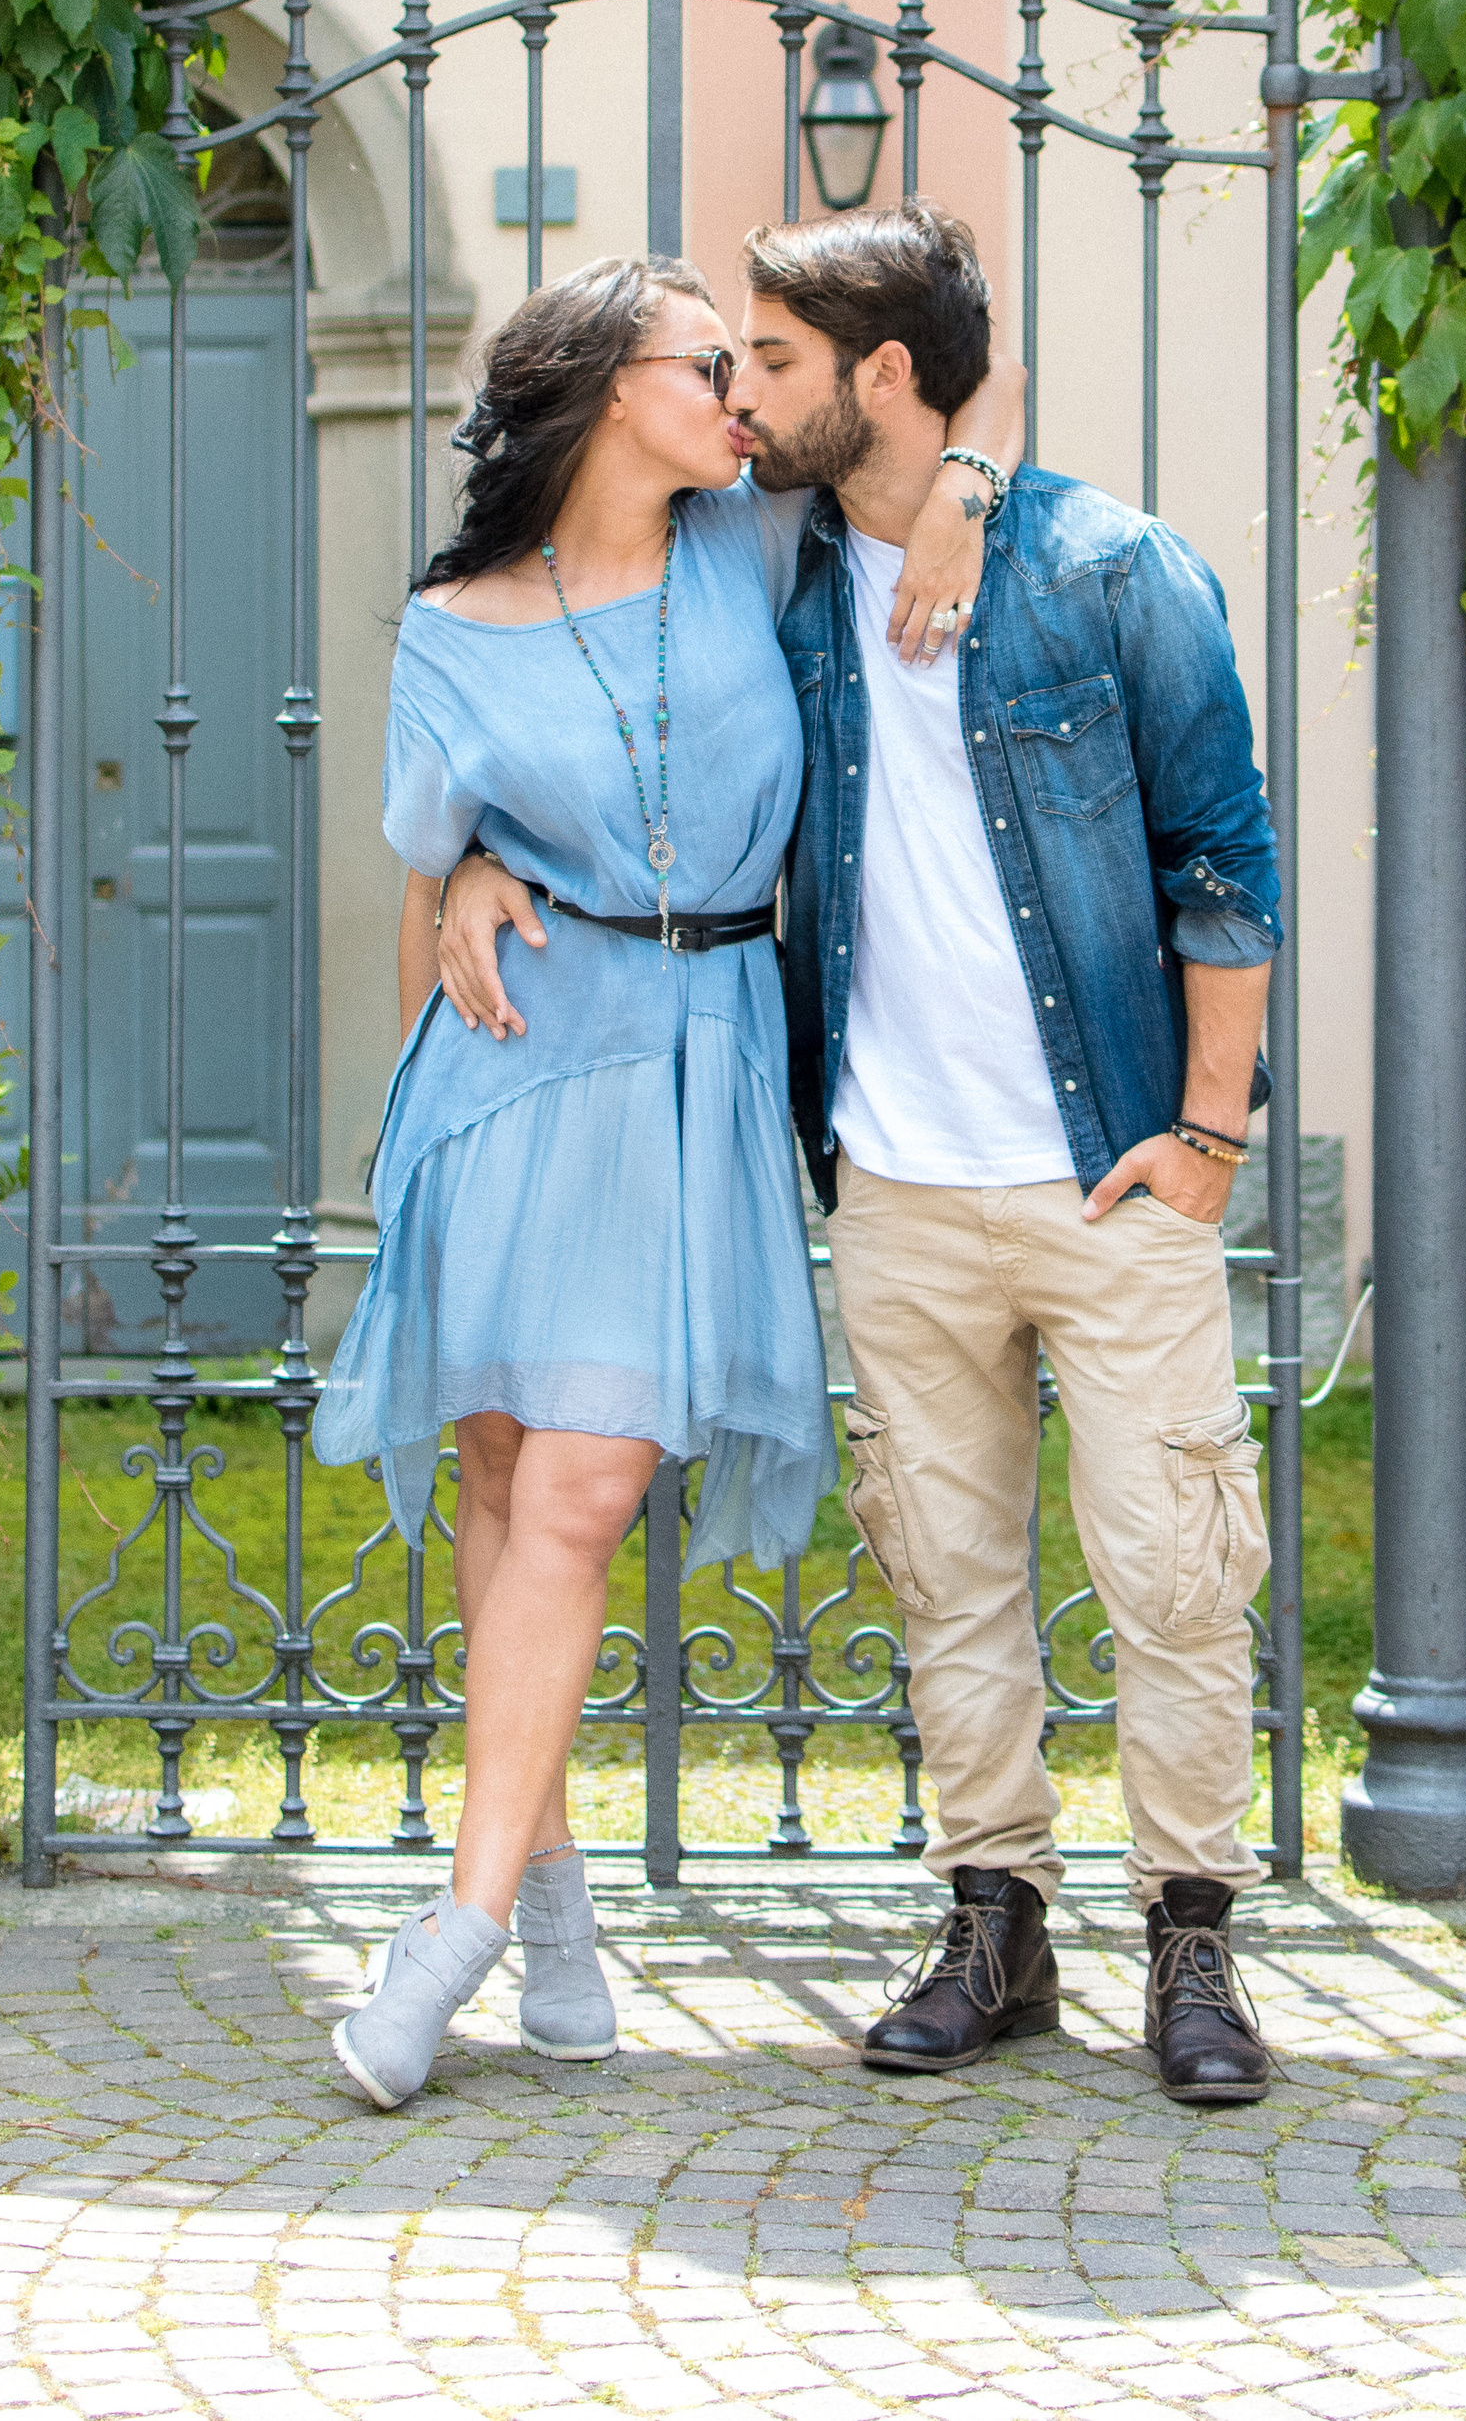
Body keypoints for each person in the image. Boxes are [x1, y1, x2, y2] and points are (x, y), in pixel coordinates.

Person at [441, 203, 1284, 2112]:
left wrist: (1209, 1132)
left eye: (779, 363)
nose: (741, 393)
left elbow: (1225, 868)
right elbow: (574, 679)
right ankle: (997, 1923)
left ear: (882, 378)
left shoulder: (1113, 575)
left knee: (1170, 1572)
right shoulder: (787, 582)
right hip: (897, 1179)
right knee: (948, 1571)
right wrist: (475, 861)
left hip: (1108, 1164)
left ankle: (1194, 1937)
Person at [318, 250, 1022, 2112]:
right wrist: (415, 1128)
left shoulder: (753, 539)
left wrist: (959, 490)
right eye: (706, 361)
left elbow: (949, 405)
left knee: (586, 1480)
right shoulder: (451, 626)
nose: (740, 389)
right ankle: (548, 1903)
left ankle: (452, 1937)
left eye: (745, 362)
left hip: (697, 1054)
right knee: (498, 1462)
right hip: (512, 1071)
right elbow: (428, 880)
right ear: (603, 390)